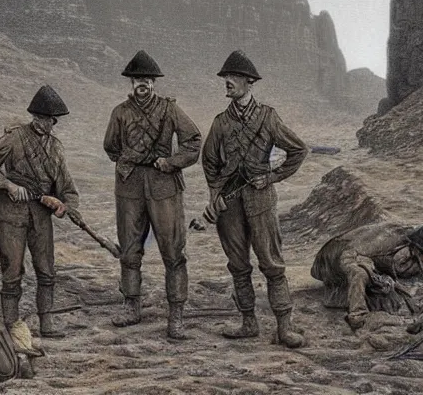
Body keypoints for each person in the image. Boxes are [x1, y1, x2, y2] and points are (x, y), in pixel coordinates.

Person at [202, 50, 307, 348]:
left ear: (249, 82)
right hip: (229, 204)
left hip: (261, 200)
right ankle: (248, 323)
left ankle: (284, 328)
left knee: (272, 264)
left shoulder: (268, 117)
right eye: (225, 78)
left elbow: (298, 150)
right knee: (238, 264)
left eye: (232, 77)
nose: (227, 82)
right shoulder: (221, 122)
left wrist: (272, 176)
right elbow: (209, 160)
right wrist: (214, 196)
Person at [104, 50, 201, 339]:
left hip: (164, 187)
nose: (142, 83)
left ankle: (176, 315)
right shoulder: (120, 112)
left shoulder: (170, 110)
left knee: (173, 251)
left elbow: (193, 141)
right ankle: (131, 306)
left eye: (147, 79)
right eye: (137, 79)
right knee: (130, 250)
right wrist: (132, 161)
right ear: (131, 83)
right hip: (129, 186)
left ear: (154, 83)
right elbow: (111, 147)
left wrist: (171, 163)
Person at [0, 85, 79, 338]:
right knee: (11, 271)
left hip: (41, 216)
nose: (44, 123)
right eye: (40, 118)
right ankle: (11, 324)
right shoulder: (13, 139)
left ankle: (47, 324)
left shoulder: (56, 148)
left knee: (46, 270)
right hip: (10, 215)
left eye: (49, 120)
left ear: (54, 121)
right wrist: (8, 185)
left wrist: (66, 205)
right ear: (34, 117)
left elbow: (67, 187)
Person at [311, 221, 423, 330]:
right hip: (332, 258)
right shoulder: (387, 240)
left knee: (391, 302)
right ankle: (357, 315)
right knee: (361, 273)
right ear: (418, 249)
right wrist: (376, 277)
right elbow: (349, 258)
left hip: (367, 261)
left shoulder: (415, 250)